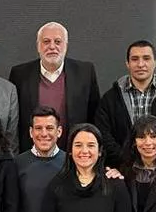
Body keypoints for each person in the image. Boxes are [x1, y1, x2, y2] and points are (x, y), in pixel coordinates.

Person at [93, 39, 156, 168]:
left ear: (155, 62)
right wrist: (127, 163)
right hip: (123, 172)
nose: (140, 64)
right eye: (134, 59)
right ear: (127, 63)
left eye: (146, 58)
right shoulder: (111, 98)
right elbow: (103, 135)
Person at [8, 22, 100, 152]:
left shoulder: (85, 73)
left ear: (66, 46)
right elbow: (14, 120)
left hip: (74, 157)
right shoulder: (20, 74)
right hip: (31, 157)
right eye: (46, 41)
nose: (52, 46)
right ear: (38, 46)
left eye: (58, 42)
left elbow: (94, 116)